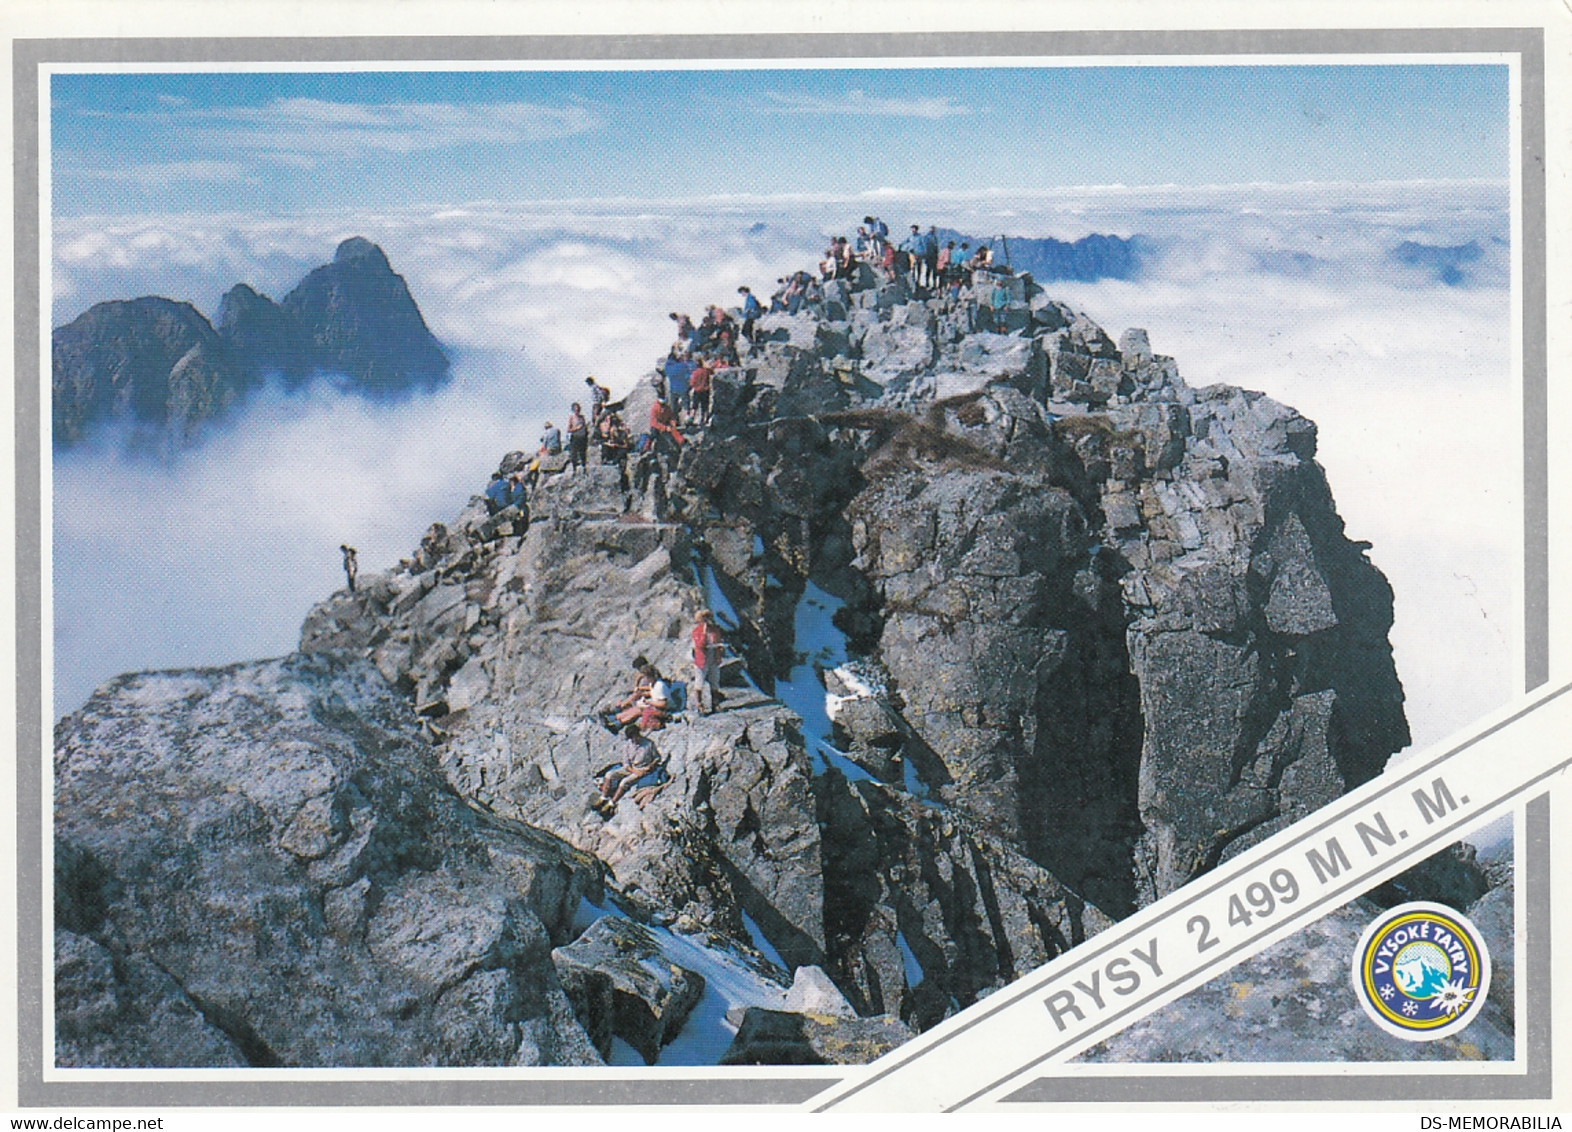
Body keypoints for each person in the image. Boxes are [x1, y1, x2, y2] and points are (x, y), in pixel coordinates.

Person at [593, 723, 663, 815]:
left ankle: (611, 803)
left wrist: (650, 766)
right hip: (631, 768)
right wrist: (634, 771)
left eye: (636, 736)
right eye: (633, 738)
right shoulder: (627, 745)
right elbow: (625, 763)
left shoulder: (648, 744)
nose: (635, 739)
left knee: (624, 782)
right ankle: (603, 797)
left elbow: (657, 758)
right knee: (609, 775)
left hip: (643, 769)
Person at [690, 609, 725, 715]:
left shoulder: (715, 630)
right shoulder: (697, 631)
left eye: (708, 618)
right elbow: (700, 644)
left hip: (713, 657)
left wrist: (719, 654)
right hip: (701, 659)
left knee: (714, 681)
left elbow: (718, 642)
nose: (707, 620)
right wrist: (704, 632)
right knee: (699, 682)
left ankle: (715, 703)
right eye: (704, 618)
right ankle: (699, 704)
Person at [597, 409, 631, 491]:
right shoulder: (609, 432)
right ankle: (605, 460)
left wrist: (617, 445)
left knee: (622, 452)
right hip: (612, 448)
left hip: (620, 448)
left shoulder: (622, 433)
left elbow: (625, 445)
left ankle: (614, 462)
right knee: (605, 447)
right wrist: (610, 443)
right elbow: (605, 437)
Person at [566, 402, 589, 473]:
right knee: (574, 453)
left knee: (583, 453)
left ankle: (584, 468)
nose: (577, 410)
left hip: (583, 437)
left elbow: (584, 426)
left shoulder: (582, 417)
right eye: (576, 409)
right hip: (575, 437)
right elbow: (568, 430)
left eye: (578, 409)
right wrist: (577, 428)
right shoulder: (571, 418)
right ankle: (574, 469)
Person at [689, 361, 712, 427]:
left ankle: (691, 419)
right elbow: (712, 371)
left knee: (694, 406)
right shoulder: (706, 371)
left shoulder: (695, 373)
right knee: (704, 406)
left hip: (697, 391)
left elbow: (692, 383)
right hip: (705, 391)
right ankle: (704, 420)